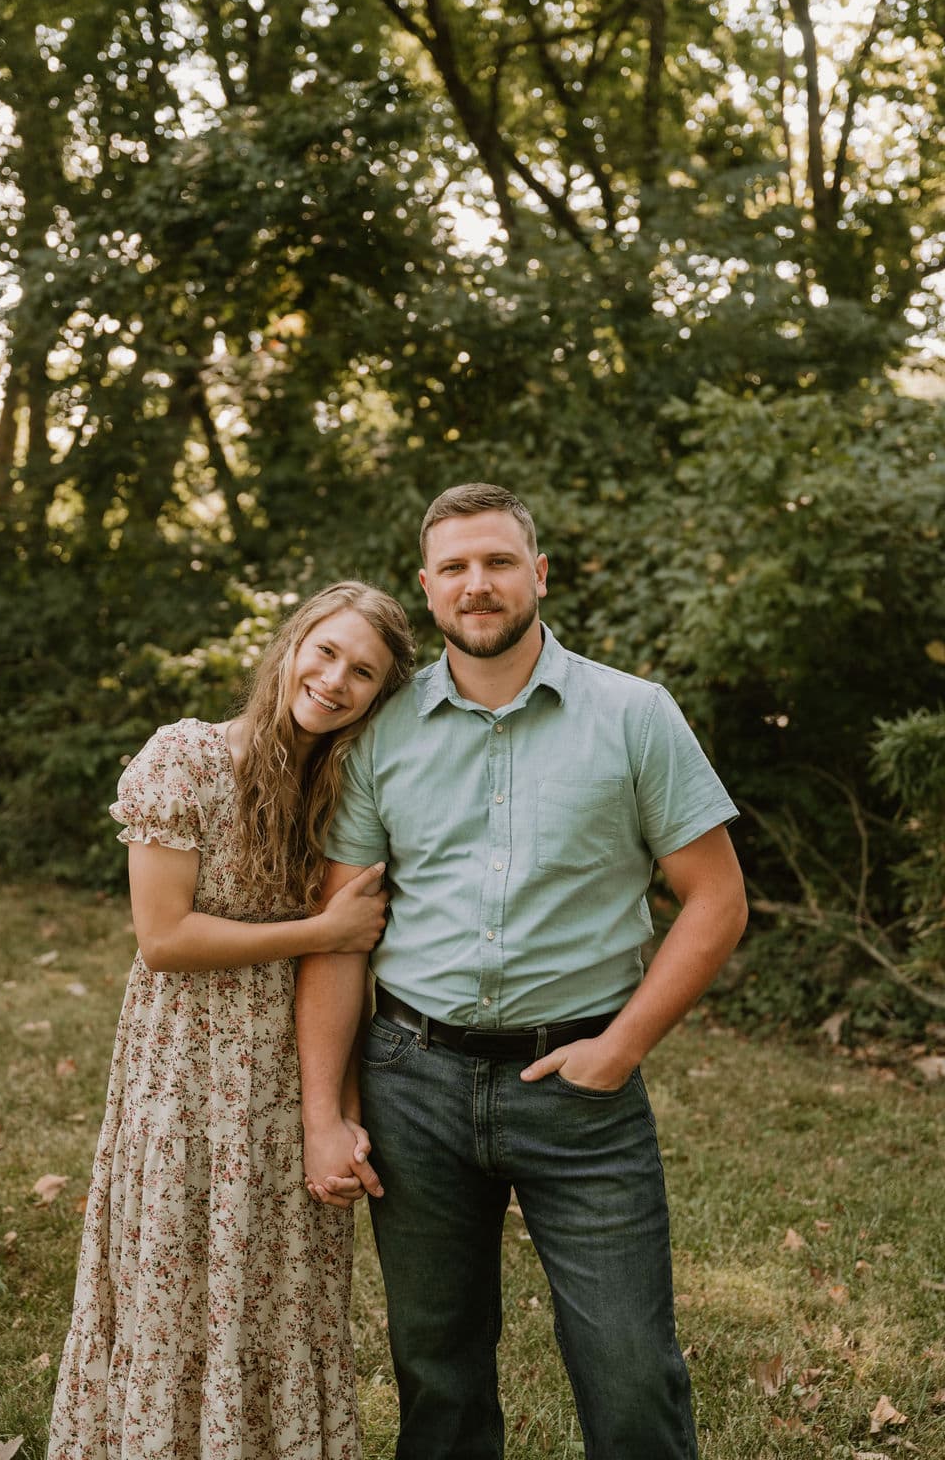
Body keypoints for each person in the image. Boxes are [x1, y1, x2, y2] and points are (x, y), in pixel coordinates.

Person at [296, 485, 748, 1460]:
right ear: (427, 589)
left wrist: (619, 1048)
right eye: (454, 567)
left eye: (498, 561)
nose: (478, 583)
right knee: (437, 1374)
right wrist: (322, 1113)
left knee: (631, 1374)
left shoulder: (634, 715)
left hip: (580, 1095)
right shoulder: (382, 729)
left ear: (538, 574)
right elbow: (339, 938)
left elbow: (716, 900)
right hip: (412, 1083)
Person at [48, 581, 414, 1460]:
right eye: (326, 652)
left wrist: (341, 1110)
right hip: (185, 1065)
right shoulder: (186, 757)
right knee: (177, 1274)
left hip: (291, 1071)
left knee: (278, 1285)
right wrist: (319, 930)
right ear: (292, 646)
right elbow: (164, 937)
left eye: (363, 672)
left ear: (380, 695)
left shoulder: (346, 794)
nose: (335, 680)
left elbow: (348, 968)